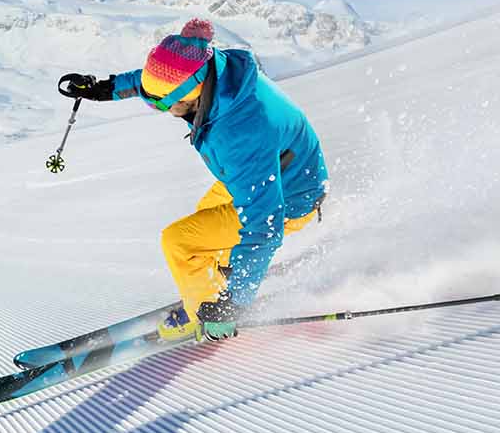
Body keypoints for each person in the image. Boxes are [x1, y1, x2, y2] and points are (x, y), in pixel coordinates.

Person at [57, 18, 328, 342]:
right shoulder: (214, 68)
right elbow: (151, 84)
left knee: (180, 242)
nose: (160, 108)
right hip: (271, 172)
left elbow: (263, 226)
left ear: (194, 90)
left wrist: (233, 306)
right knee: (204, 220)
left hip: (290, 196)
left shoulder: (240, 133)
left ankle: (206, 309)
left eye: (167, 104)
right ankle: (216, 280)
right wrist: (103, 89)